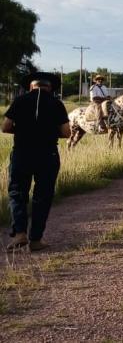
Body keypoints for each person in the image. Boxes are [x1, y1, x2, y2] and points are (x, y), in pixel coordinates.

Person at [3, 72, 70, 252]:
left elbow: (6, 126)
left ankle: (19, 233)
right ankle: (36, 240)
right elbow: (66, 132)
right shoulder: (57, 103)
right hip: (47, 155)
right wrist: (46, 132)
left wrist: (25, 130)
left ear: (31, 86)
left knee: (17, 193)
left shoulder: (19, 101)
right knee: (43, 196)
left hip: (22, 154)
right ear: (50, 88)